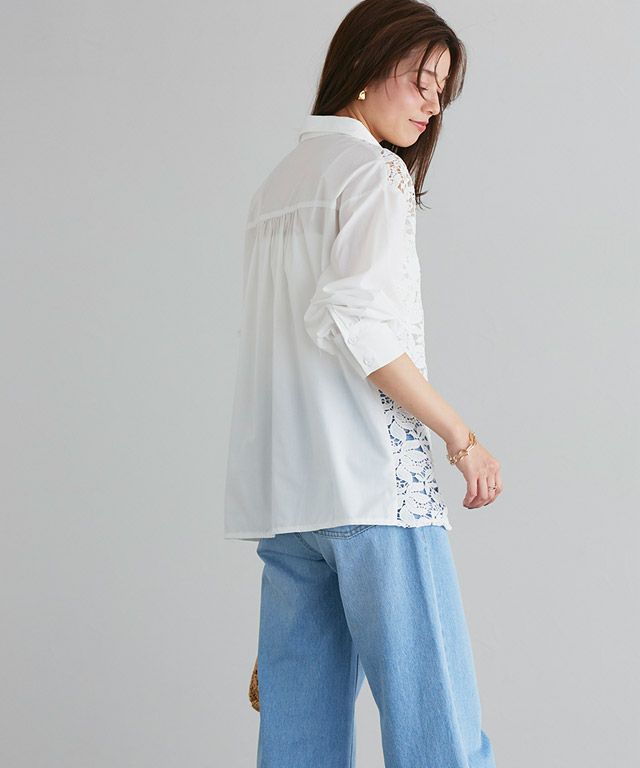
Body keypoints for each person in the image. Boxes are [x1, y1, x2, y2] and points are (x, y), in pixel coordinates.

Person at [223, 0, 502, 765]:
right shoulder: (373, 174)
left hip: (289, 502)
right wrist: (461, 436)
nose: (432, 103)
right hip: (375, 490)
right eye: (421, 80)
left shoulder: (278, 186)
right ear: (365, 65)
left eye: (442, 90)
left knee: (298, 741)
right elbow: (356, 322)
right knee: (439, 735)